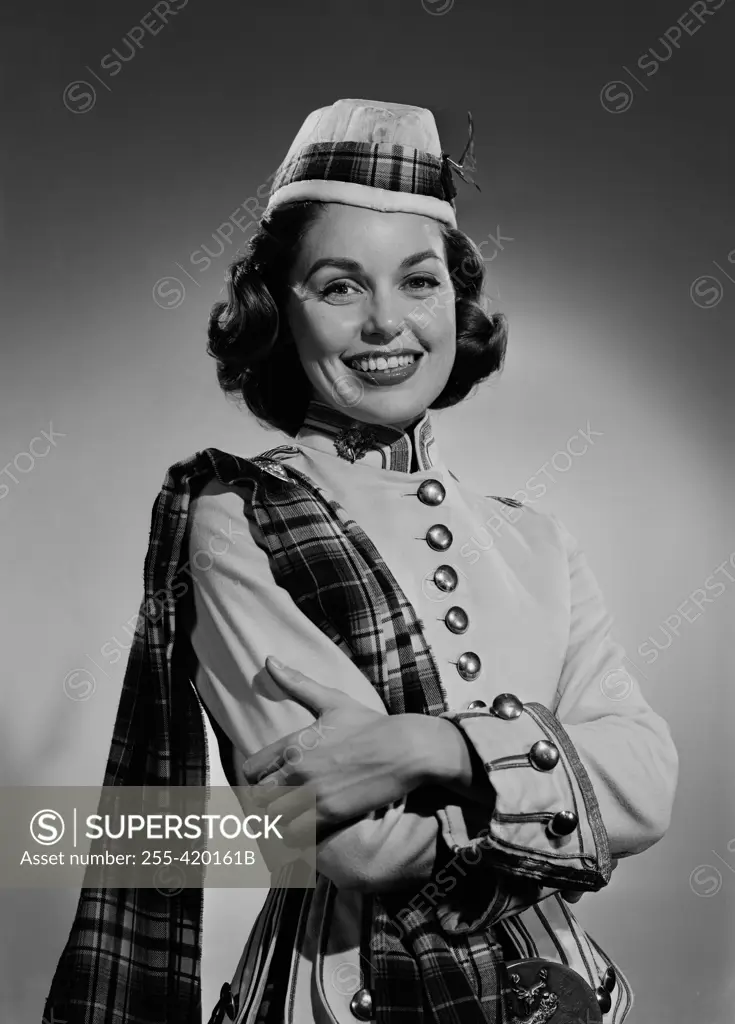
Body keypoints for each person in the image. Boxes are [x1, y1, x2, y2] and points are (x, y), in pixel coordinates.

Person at [44, 98, 678, 1024]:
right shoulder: (230, 514)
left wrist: (427, 745)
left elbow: (650, 787)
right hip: (341, 996)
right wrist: (558, 789)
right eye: (339, 287)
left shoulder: (536, 538)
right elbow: (357, 849)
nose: (388, 323)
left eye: (418, 282)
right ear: (278, 311)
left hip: (569, 996)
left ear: (454, 303)